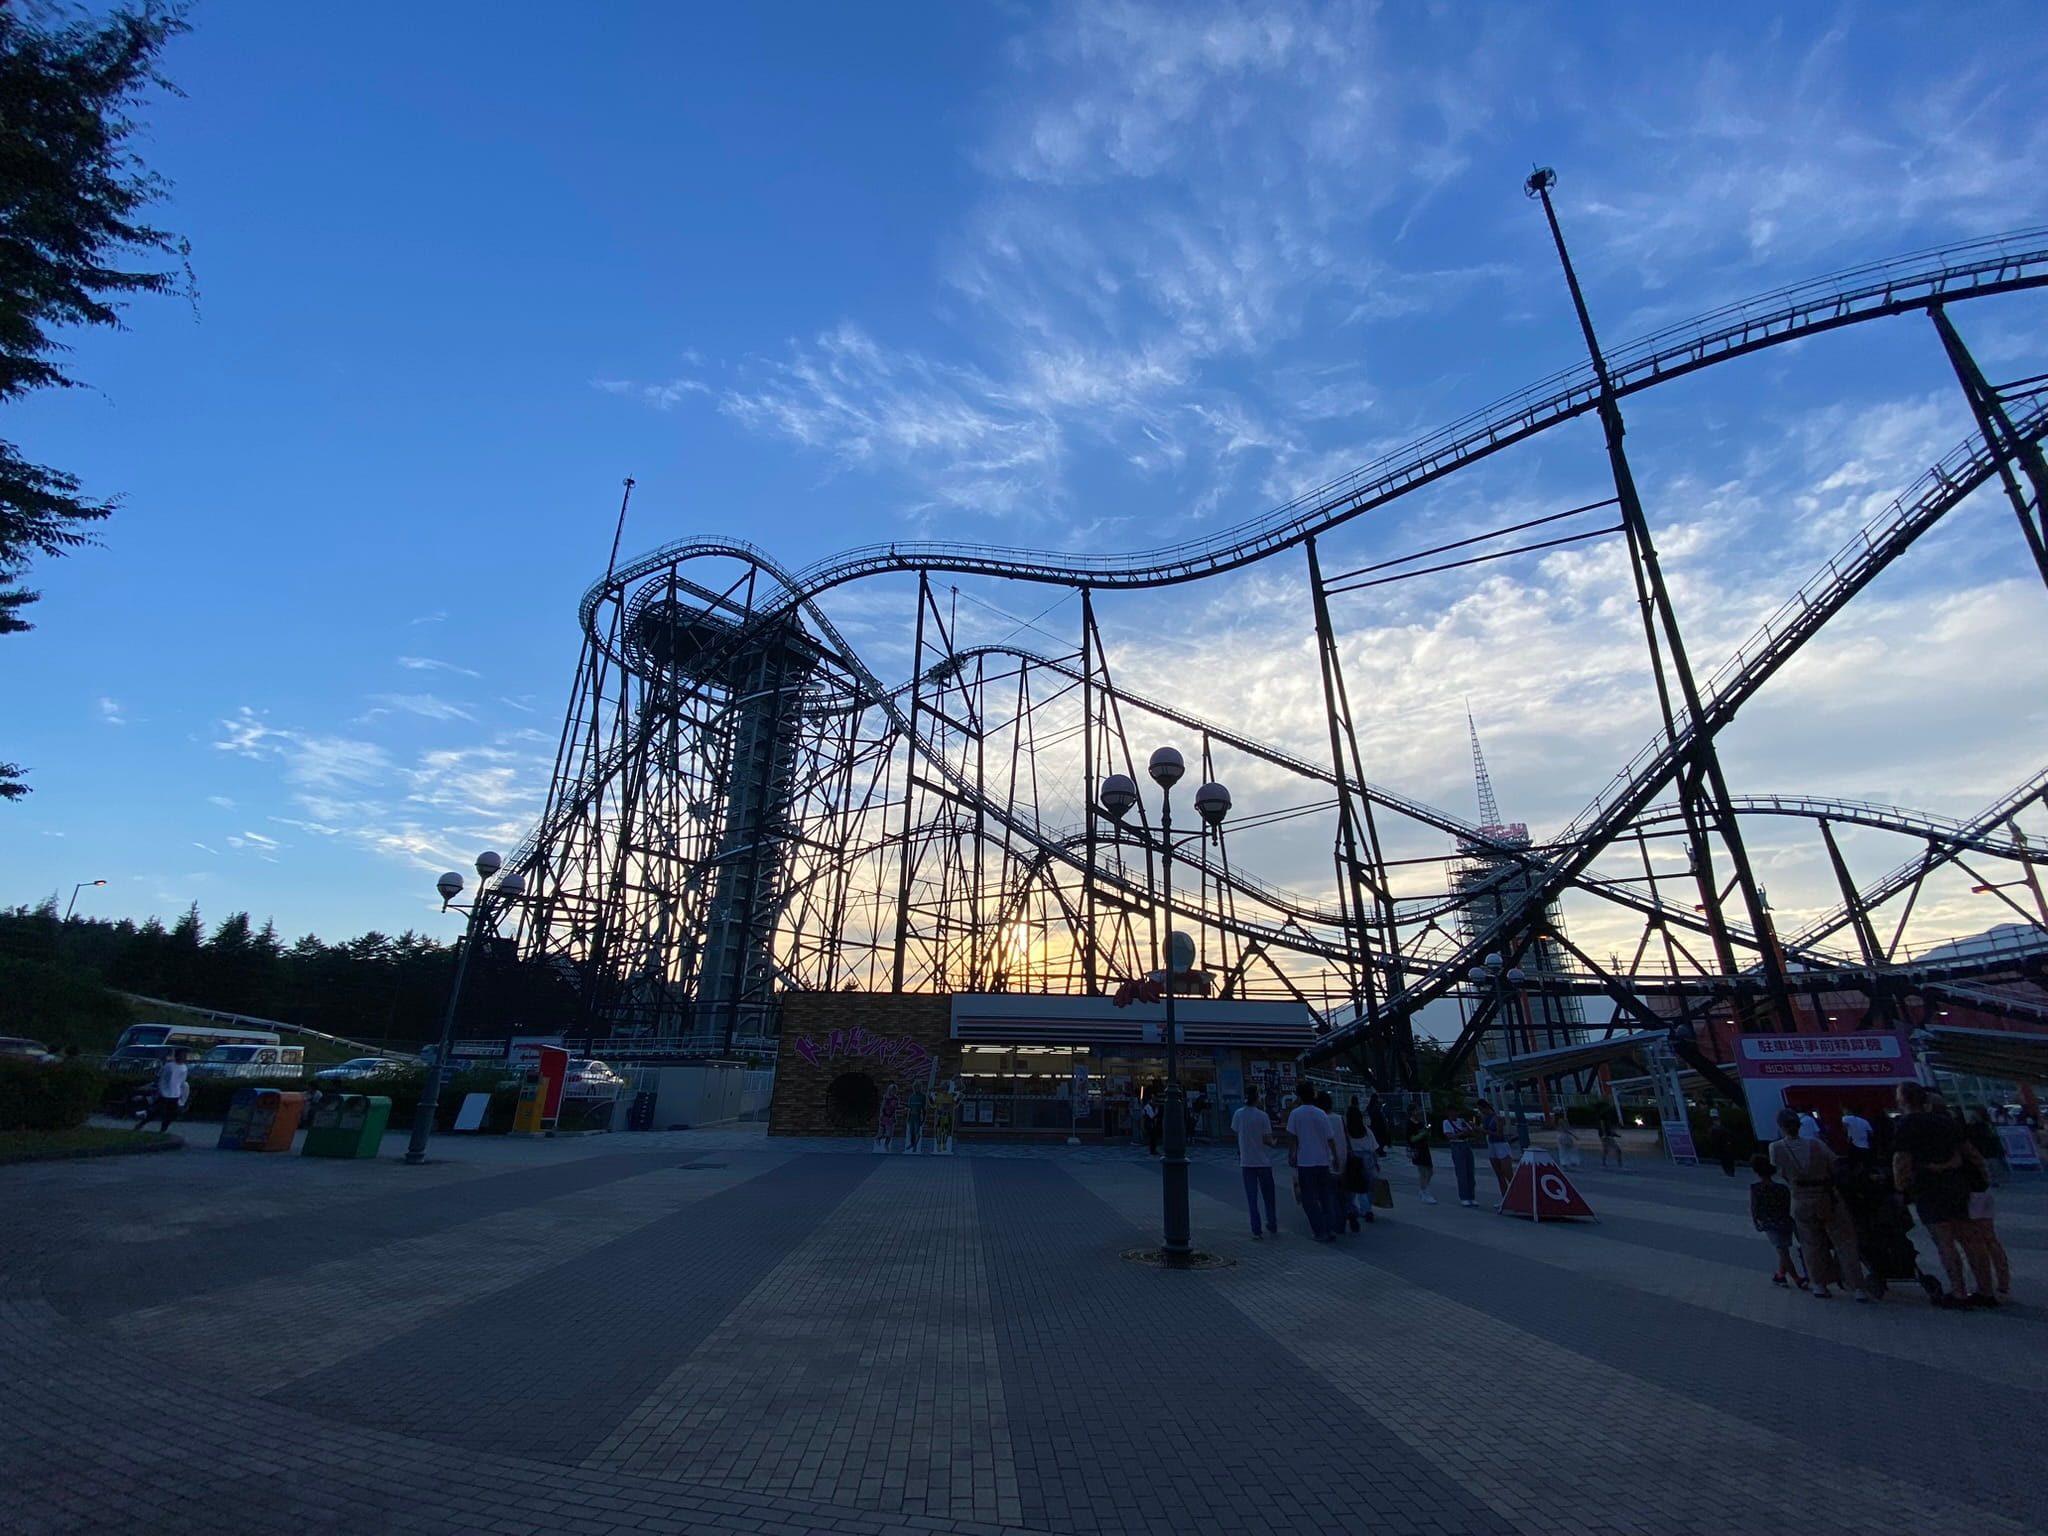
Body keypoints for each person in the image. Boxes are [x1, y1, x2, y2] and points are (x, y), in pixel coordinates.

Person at [1893, 1081, 1998, 1308]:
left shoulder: (1905, 1125)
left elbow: (1902, 1161)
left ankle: (1958, 1292)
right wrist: (1982, 1177)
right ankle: (1986, 1290)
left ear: (1903, 1100)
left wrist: (1901, 1188)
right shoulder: (1946, 1121)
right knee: (1971, 1240)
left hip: (1929, 1189)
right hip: (1957, 1186)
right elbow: (1970, 1152)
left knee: (1944, 1242)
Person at [1769, 1108, 1871, 1302]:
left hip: (1800, 1197)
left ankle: (1819, 1285)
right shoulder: (1816, 1144)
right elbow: (1835, 1165)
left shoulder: (1776, 1148)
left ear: (1781, 1127)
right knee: (1844, 1242)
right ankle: (1857, 1286)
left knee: (1811, 1243)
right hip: (1826, 1195)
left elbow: (1780, 1171)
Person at [1287, 1085, 1340, 1242]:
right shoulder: (1321, 1114)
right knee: (1325, 1196)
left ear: (1300, 1097)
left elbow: (1292, 1136)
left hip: (1305, 1161)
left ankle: (1319, 1230)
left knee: (1309, 1199)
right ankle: (1330, 1227)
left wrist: (1292, 1154)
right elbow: (1330, 1137)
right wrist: (1335, 1157)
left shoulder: (1295, 1114)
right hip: (1323, 1160)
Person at [1748, 1153, 1807, 1290]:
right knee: (1783, 1249)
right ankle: (1780, 1275)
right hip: (1785, 1221)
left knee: (1783, 1252)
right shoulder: (1782, 1188)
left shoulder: (1756, 1188)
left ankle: (1796, 1278)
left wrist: (1756, 1221)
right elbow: (1788, 1205)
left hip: (1770, 1223)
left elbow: (1754, 1207)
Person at [1232, 1086, 1279, 1239]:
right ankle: (1272, 1223)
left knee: (1252, 1198)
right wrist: (1273, 1142)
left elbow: (1236, 1133)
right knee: (1269, 1196)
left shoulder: (1238, 1114)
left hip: (1247, 1162)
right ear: (1257, 1098)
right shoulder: (1263, 1116)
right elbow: (1267, 1139)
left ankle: (1256, 1229)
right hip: (1263, 1161)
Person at [1319, 1092, 1355, 1233]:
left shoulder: (1321, 1119)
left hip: (1328, 1160)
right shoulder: (1339, 1118)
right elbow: (1347, 1138)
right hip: (1343, 1159)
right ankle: (1345, 1219)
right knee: (1343, 1194)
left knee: (1330, 1195)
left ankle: (1333, 1224)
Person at [1343, 1096, 1378, 1229]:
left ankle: (1352, 1208)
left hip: (1352, 1159)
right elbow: (1373, 1148)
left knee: (1351, 1184)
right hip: (1367, 1158)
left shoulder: (1346, 1131)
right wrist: (1376, 1162)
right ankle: (1367, 1209)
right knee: (1366, 1185)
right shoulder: (1366, 1130)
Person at [138, 1047, 191, 1133]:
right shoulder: (169, 1066)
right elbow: (161, 1078)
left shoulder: (184, 1068)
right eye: (182, 1055)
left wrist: (181, 1096)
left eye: (185, 1055)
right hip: (165, 1093)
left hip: (175, 1094)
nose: (184, 1057)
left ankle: (163, 1129)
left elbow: (182, 1082)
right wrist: (160, 1090)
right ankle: (142, 1123)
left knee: (170, 1114)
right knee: (156, 1111)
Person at [1442, 1106, 1480, 1207]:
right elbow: (1449, 1135)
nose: (1454, 1114)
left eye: (1456, 1111)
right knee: (1461, 1172)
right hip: (1456, 1145)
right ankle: (1464, 1197)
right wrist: (1461, 1133)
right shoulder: (1446, 1122)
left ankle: (1472, 1196)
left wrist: (1467, 1132)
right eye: (1452, 1112)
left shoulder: (1462, 1121)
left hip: (1466, 1144)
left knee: (1470, 1172)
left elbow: (1471, 1132)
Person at [1477, 1099, 1514, 1196]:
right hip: (1492, 1145)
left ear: (1487, 1107)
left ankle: (1517, 1195)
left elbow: (1500, 1134)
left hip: (1501, 1145)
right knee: (1499, 1174)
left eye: (1482, 1109)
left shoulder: (1498, 1118)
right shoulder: (1484, 1118)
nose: (1481, 1112)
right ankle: (1504, 1197)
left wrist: (1485, 1131)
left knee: (1508, 1173)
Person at [1405, 1103, 1438, 1204]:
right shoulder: (1409, 1125)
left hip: (1424, 1148)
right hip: (1417, 1149)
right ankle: (1424, 1192)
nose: (1418, 1112)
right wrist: (1422, 1133)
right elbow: (1411, 1139)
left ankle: (1424, 1189)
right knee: (1423, 1172)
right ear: (1411, 1112)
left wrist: (1426, 1132)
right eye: (1416, 1110)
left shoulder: (1420, 1122)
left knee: (1430, 1171)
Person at [1596, 1103, 1624, 1169]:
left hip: (1605, 1135)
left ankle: (1604, 1163)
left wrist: (1615, 1134)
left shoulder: (1605, 1116)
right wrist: (1604, 1134)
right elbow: (1603, 1125)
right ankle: (1619, 1163)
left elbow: (1607, 1127)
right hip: (1606, 1135)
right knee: (1617, 1149)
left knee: (1606, 1150)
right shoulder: (1603, 1116)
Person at [905, 1081, 929, 1152]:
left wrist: (923, 1118)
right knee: (911, 1131)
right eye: (915, 1087)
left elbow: (924, 1108)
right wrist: (908, 1118)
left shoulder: (923, 1096)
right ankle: (912, 1144)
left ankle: (915, 1145)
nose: (916, 1088)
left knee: (917, 1131)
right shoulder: (911, 1097)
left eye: (918, 1087)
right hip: (912, 1116)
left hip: (918, 1116)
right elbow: (910, 1108)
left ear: (920, 1087)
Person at [1141, 1089, 1161, 1157]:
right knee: (1153, 1137)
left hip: (1148, 1123)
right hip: (1150, 1124)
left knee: (1152, 1137)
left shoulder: (1146, 1106)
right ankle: (1153, 1150)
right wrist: (1156, 1112)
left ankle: (1152, 1150)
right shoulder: (1148, 1107)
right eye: (1152, 1099)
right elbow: (1152, 1116)